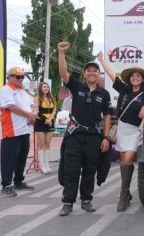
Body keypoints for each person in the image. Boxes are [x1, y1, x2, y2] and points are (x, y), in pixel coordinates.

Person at [97, 52, 144, 212]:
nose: (135, 78)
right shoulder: (125, 90)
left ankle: (123, 195)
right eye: (133, 76)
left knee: (128, 157)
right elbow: (111, 74)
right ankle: (126, 194)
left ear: (142, 79)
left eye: (138, 76)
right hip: (122, 128)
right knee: (123, 160)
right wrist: (101, 60)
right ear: (130, 78)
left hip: (136, 130)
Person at [57, 41, 112, 216]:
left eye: (94, 70)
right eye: (88, 70)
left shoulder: (104, 94)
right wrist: (61, 53)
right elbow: (63, 73)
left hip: (94, 137)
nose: (91, 73)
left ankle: (86, 200)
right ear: (84, 74)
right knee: (71, 170)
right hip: (74, 136)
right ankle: (68, 202)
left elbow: (107, 117)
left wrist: (106, 138)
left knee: (90, 170)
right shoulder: (77, 86)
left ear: (98, 74)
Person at [0, 66, 36, 197]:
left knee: (21, 158)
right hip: (11, 131)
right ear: (10, 77)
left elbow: (32, 104)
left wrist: (33, 114)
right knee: (9, 159)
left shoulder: (22, 91)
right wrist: (29, 115)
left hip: (24, 130)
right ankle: (6, 186)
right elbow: (11, 107)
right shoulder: (6, 90)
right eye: (18, 77)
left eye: (22, 77)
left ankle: (18, 181)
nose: (21, 79)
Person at [34, 82, 57, 174]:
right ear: (40, 88)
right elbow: (36, 111)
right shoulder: (37, 99)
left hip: (50, 122)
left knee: (47, 144)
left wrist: (50, 119)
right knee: (41, 144)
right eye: (44, 87)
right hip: (40, 122)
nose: (46, 88)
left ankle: (47, 164)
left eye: (47, 87)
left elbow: (55, 109)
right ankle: (42, 165)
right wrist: (46, 119)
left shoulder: (52, 98)